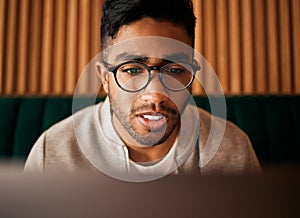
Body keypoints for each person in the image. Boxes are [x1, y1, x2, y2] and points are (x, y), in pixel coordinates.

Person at [24, 0, 260, 180]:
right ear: (105, 78)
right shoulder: (52, 152)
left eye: (175, 70)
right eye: (133, 70)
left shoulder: (233, 151)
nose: (155, 94)